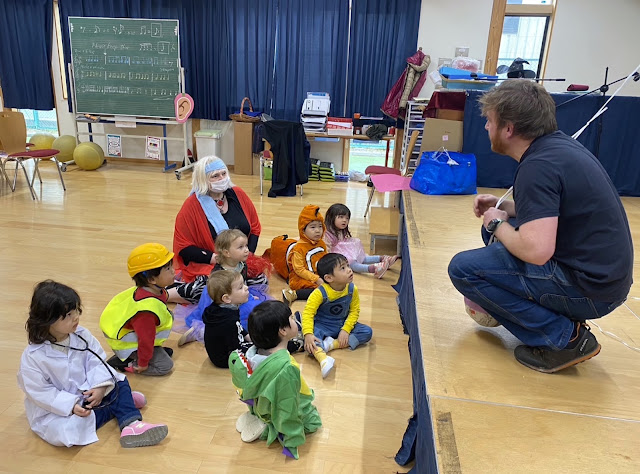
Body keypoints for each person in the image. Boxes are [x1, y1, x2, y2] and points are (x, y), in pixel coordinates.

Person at [448, 79, 633, 374]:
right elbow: (553, 212)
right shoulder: (556, 148)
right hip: (604, 281)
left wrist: (496, 221)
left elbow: (536, 251)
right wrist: (505, 208)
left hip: (592, 291)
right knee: (496, 231)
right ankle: (556, 319)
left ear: (508, 129)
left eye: (490, 120)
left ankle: (564, 339)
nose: (486, 127)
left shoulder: (537, 166)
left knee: (463, 269)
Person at [17, 280, 168, 448]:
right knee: (69, 430)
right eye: (68, 315)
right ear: (48, 320)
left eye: (76, 310)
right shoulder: (33, 357)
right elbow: (40, 392)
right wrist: (71, 405)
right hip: (62, 408)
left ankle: (131, 424)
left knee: (119, 380)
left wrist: (100, 387)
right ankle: (120, 404)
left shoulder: (82, 334)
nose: (76, 317)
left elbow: (97, 362)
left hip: (91, 393)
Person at [228, 301, 322, 459]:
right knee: (313, 422)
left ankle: (259, 417)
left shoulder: (252, 353)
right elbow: (287, 405)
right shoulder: (286, 367)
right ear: (283, 330)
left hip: (261, 404)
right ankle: (268, 428)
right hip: (275, 410)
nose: (295, 320)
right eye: (291, 318)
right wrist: (292, 437)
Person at [170, 155, 263, 304]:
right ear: (203, 180)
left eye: (224, 173)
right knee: (211, 288)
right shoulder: (191, 206)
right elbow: (183, 248)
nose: (221, 178)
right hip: (210, 265)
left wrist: (247, 255)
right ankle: (167, 294)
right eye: (215, 176)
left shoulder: (238, 194)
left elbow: (255, 228)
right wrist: (216, 259)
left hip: (239, 260)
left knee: (260, 280)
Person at [100, 243, 175, 376]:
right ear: (152, 279)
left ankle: (151, 353)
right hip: (129, 344)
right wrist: (143, 363)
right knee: (165, 366)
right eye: (168, 269)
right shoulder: (146, 312)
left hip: (137, 334)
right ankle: (128, 363)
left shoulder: (154, 290)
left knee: (168, 315)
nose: (173, 271)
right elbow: (145, 340)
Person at [302, 253, 373, 378]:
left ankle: (331, 345)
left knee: (367, 332)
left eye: (348, 265)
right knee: (309, 344)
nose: (349, 270)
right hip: (322, 326)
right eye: (343, 268)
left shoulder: (352, 289)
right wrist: (308, 334)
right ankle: (323, 360)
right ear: (329, 278)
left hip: (342, 323)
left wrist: (346, 330)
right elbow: (308, 314)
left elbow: (354, 311)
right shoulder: (319, 293)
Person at [324, 203, 398, 278]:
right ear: (331, 217)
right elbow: (326, 249)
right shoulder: (327, 234)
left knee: (361, 257)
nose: (344, 220)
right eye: (341, 217)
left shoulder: (340, 230)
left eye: (347, 218)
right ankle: (374, 269)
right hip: (337, 257)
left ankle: (382, 259)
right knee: (353, 264)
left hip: (345, 252)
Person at [282, 204, 327, 304]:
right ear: (303, 229)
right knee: (320, 290)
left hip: (317, 274)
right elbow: (299, 270)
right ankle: (293, 294)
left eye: (320, 226)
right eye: (313, 227)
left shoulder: (321, 243)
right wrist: (316, 279)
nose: (317, 230)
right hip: (301, 277)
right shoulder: (299, 248)